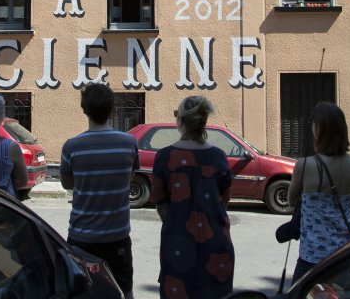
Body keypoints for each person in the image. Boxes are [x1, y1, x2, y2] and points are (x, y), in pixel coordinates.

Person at [150, 96, 234, 299]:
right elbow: (224, 201)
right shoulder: (219, 157)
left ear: (180, 121)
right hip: (217, 247)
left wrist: (179, 220)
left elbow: (160, 202)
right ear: (204, 122)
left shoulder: (164, 157)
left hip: (177, 247)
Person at [60, 83, 139, 298]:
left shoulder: (71, 146)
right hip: (118, 236)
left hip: (81, 237)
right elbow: (128, 179)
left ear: (84, 110)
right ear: (113, 109)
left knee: (81, 293)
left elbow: (67, 185)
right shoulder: (129, 143)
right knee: (125, 291)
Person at [287, 102, 350, 283]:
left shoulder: (306, 165)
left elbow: (290, 200)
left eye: (313, 122)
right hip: (346, 250)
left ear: (318, 129)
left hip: (313, 254)